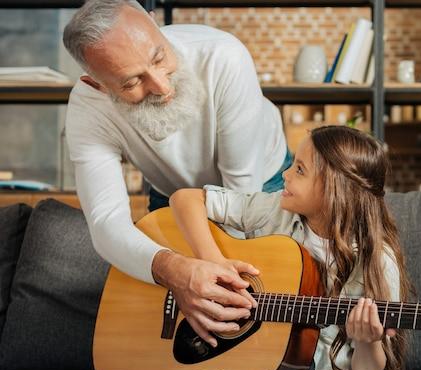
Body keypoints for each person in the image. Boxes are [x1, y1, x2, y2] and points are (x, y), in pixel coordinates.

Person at [62, 0, 290, 337]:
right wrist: (175, 270)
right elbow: (106, 221)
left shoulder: (223, 56)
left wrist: (220, 275)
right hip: (171, 193)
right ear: (97, 84)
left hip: (261, 183)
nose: (162, 87)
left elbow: (241, 187)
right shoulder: (87, 110)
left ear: (155, 24)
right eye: (131, 82)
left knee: (265, 307)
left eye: (158, 58)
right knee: (165, 330)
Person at [169, 126, 416, 370]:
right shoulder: (276, 210)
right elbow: (185, 199)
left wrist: (368, 340)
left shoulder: (377, 260)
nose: (285, 174)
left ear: (334, 187)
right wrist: (212, 262)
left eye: (299, 169)